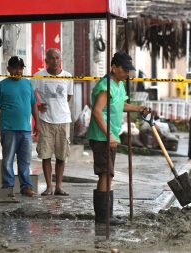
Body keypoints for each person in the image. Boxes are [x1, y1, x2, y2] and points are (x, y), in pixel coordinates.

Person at [87, 52, 149, 225]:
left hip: (110, 136)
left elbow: (121, 105)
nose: (127, 74)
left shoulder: (119, 84)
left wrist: (138, 108)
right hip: (102, 137)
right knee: (105, 173)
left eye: (129, 70)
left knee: (108, 174)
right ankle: (103, 217)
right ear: (114, 68)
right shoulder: (105, 86)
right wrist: (109, 135)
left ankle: (107, 214)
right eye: (124, 70)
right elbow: (97, 112)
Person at [0, 56, 40, 197]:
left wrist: (37, 123)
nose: (18, 71)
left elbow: (33, 104)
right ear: (8, 69)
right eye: (15, 68)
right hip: (8, 129)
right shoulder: (1, 86)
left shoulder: (27, 84)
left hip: (25, 129)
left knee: (25, 161)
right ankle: (8, 187)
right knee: (8, 160)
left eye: (20, 68)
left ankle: (26, 187)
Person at [31, 48, 73, 196]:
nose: (55, 61)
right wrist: (37, 106)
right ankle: (49, 187)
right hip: (45, 121)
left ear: (60, 59)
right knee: (46, 155)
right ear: (46, 60)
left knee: (62, 156)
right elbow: (30, 97)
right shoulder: (38, 76)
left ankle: (58, 187)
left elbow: (68, 97)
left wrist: (58, 108)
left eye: (57, 58)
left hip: (63, 121)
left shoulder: (67, 76)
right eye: (52, 58)